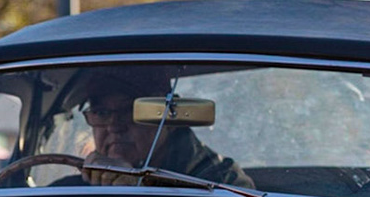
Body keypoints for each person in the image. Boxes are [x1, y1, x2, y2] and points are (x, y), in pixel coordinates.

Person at [69, 72, 254, 189]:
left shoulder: (221, 182)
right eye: (101, 113)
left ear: (169, 120)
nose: (114, 126)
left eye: (132, 111)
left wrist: (138, 186)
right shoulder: (69, 192)